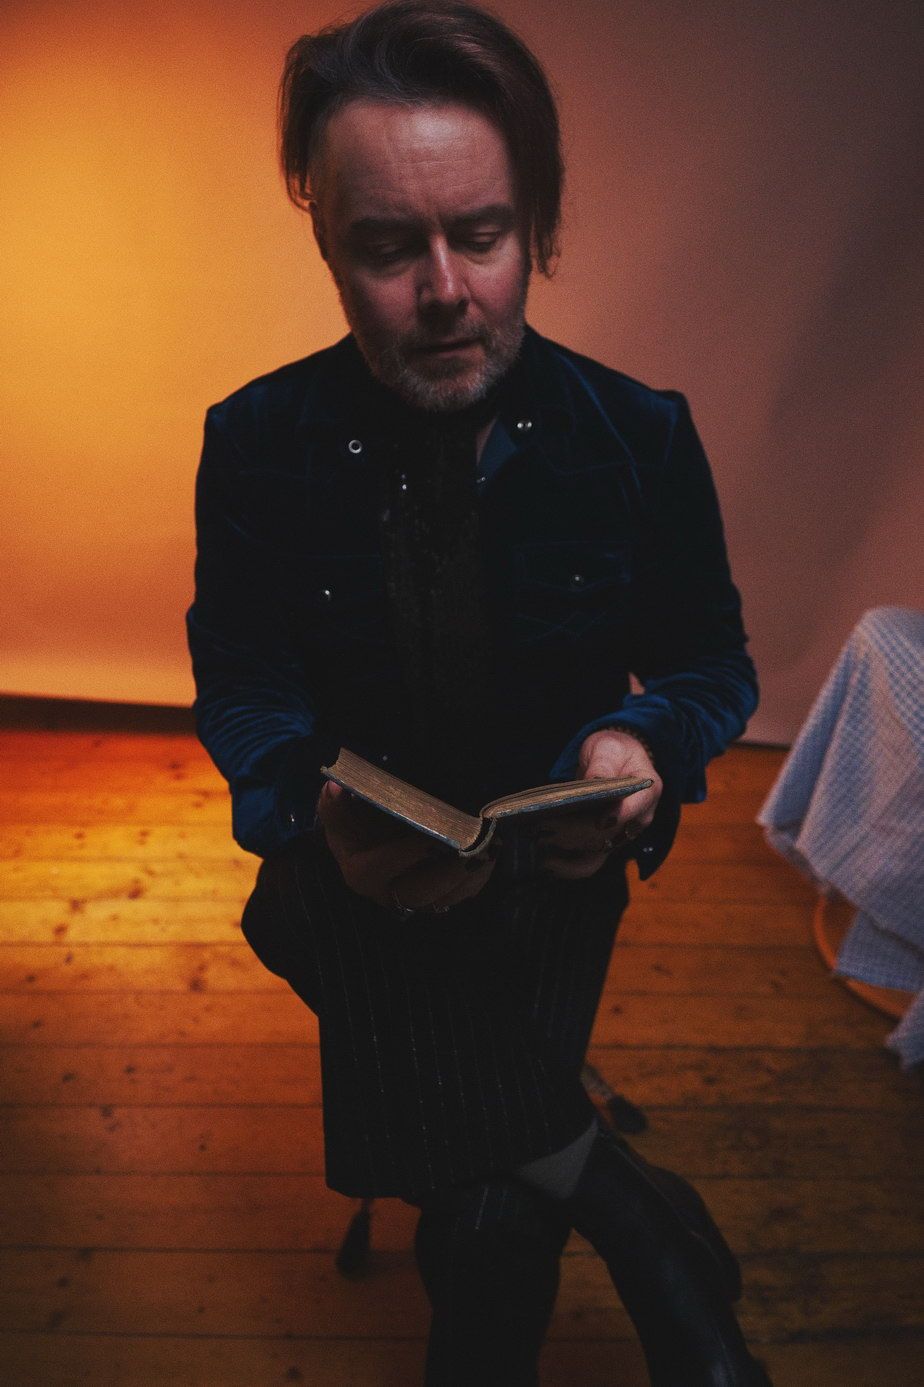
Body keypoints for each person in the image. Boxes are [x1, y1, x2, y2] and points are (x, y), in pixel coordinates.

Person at [185, 3, 769, 1383]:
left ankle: (531, 1245)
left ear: (537, 227)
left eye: (484, 235)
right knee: (324, 936)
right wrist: (308, 803)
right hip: (347, 893)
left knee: (490, 1219)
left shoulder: (640, 435)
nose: (446, 290)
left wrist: (642, 746)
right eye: (389, 247)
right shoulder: (255, 440)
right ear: (326, 242)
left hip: (549, 894)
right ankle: (635, 1214)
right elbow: (245, 683)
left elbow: (712, 664)